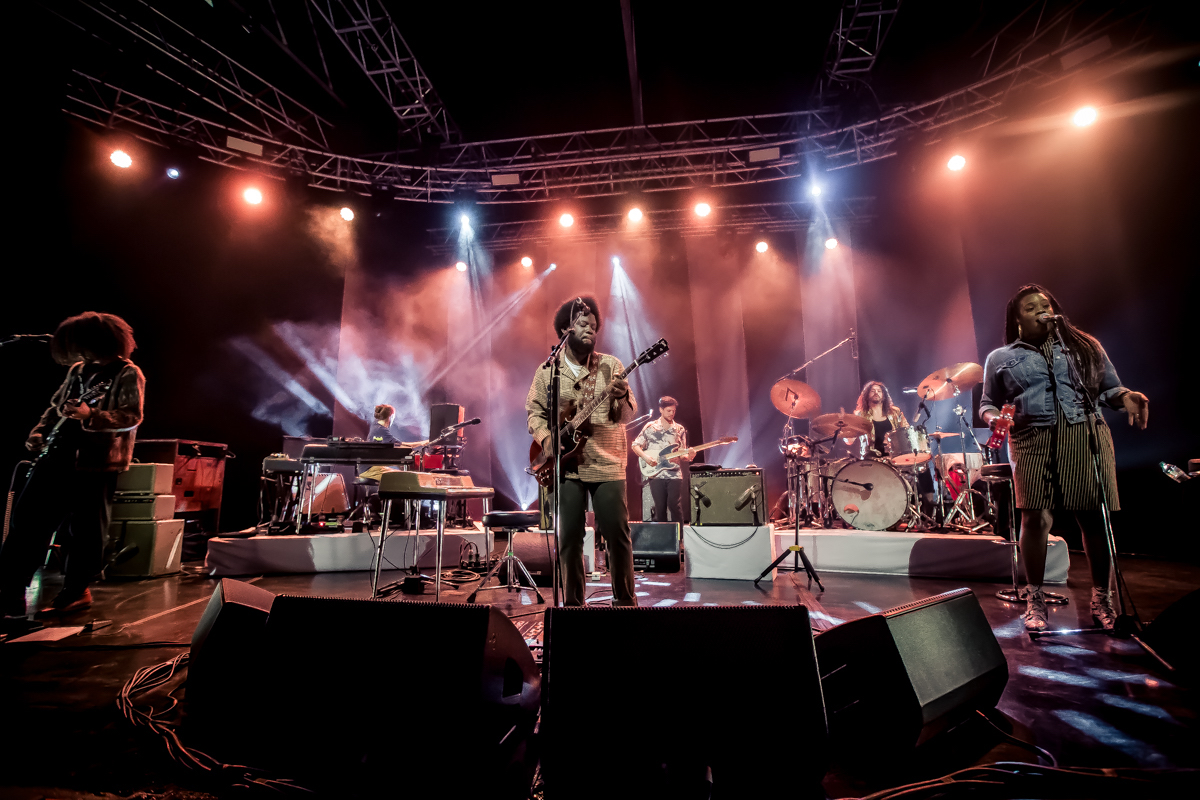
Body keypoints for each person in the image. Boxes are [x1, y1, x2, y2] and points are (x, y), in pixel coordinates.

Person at [979, 285, 1148, 632]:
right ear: (1017, 319)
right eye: (1031, 308)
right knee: (1036, 518)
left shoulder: (1085, 346)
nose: (1041, 311)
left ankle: (1102, 598)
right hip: (1030, 437)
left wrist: (1127, 397)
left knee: (1094, 518)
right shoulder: (1000, 357)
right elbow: (987, 403)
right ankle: (1035, 598)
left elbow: (1109, 389)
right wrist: (993, 418)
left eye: (1045, 305)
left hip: (1084, 433)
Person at [1, 313, 145, 626]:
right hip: (57, 455)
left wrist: (91, 415)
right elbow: (57, 406)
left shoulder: (127, 372)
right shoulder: (78, 370)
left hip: (97, 463)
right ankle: (10, 592)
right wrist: (41, 430)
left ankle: (76, 590)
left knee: (85, 531)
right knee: (28, 523)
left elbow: (131, 416)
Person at [526, 296, 638, 607]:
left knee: (617, 536)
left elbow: (627, 415)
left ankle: (627, 605)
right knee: (569, 539)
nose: (591, 330)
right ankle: (573, 608)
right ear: (566, 329)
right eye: (583, 324)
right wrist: (546, 439)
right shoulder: (548, 370)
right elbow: (534, 411)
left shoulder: (611, 365)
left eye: (594, 326)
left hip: (607, 462)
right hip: (565, 466)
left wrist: (621, 396)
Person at [632, 396, 695, 523]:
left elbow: (682, 454)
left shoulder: (679, 429)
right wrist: (646, 457)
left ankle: (679, 534)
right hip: (656, 473)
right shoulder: (650, 427)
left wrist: (690, 456)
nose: (672, 413)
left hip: (674, 474)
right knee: (660, 508)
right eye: (669, 411)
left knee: (674, 505)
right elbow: (635, 445)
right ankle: (663, 535)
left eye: (674, 411)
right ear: (661, 410)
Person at [853, 381, 909, 457]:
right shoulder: (861, 415)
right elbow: (850, 439)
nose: (876, 393)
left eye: (879, 391)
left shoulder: (895, 412)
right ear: (867, 395)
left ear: (884, 395)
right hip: (871, 459)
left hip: (894, 457)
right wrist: (843, 425)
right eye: (872, 391)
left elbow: (906, 431)